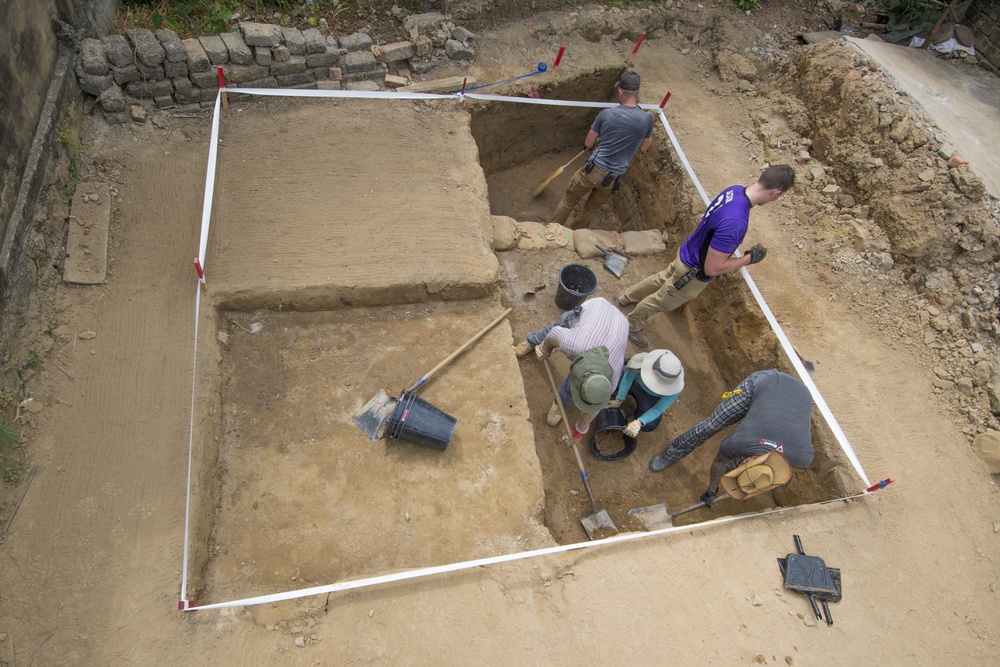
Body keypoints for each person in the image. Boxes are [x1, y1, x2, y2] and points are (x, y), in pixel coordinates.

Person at [618, 164, 796, 347]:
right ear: (775, 193)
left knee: (661, 278)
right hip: (691, 271)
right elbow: (713, 267)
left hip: (687, 252)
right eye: (779, 197)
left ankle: (627, 297)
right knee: (661, 301)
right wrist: (748, 258)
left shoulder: (734, 191)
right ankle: (632, 324)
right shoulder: (736, 222)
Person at [648, 369, 814, 508]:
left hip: (801, 397)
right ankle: (668, 456)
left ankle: (736, 471)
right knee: (709, 427)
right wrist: (712, 489)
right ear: (747, 459)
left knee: (734, 466)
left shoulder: (802, 458)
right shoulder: (740, 442)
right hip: (765, 383)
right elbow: (720, 462)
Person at [548, 70, 655, 230]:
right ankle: (577, 233)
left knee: (569, 200)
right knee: (591, 209)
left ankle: (554, 230)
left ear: (620, 91)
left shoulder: (606, 114)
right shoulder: (647, 119)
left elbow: (589, 143)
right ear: (638, 92)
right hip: (612, 179)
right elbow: (644, 147)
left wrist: (603, 138)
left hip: (593, 171)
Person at [515, 297, 629, 437]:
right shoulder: (573, 344)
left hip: (621, 324)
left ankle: (560, 404)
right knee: (561, 323)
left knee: (575, 384)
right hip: (596, 307)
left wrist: (578, 432)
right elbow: (555, 333)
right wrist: (544, 349)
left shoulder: (611, 380)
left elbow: (595, 407)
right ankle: (532, 341)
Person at [611, 349, 684, 438]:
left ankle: (630, 418)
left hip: (649, 397)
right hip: (635, 382)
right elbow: (628, 378)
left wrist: (639, 422)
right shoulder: (641, 362)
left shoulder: (676, 389)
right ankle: (613, 393)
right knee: (613, 374)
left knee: (650, 425)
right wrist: (620, 398)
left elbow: (658, 409)